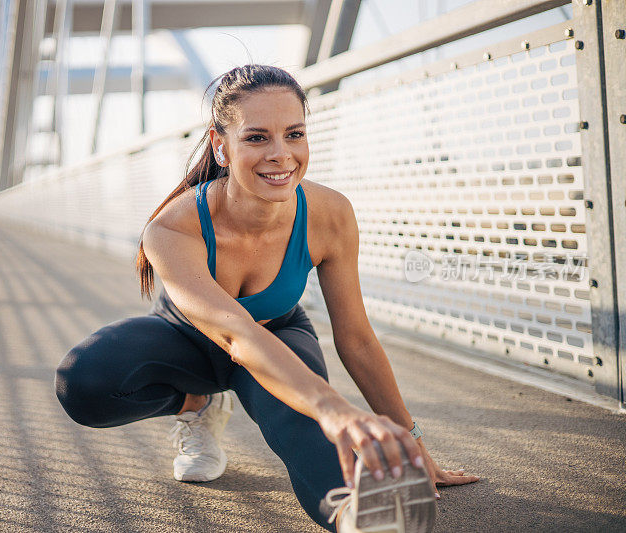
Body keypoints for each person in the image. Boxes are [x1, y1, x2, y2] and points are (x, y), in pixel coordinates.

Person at [55, 64, 479, 532]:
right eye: (257, 138)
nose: (282, 155)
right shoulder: (172, 228)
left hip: (277, 335)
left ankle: (357, 514)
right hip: (188, 340)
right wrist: (333, 405)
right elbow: (233, 334)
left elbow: (356, 338)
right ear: (221, 145)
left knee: (299, 414)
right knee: (83, 383)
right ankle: (195, 406)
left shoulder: (330, 214)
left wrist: (409, 436)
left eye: (294, 134)